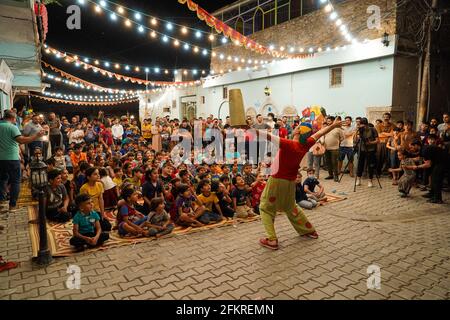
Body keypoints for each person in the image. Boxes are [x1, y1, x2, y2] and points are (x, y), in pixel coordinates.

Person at [252, 118, 342, 250]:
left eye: (297, 126)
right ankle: (309, 230)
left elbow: (265, 135)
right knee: (290, 207)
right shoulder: (306, 143)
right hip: (290, 181)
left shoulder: (287, 144)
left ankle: (271, 239)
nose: (295, 127)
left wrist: (247, 128)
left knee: (265, 207)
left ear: (298, 131)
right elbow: (321, 133)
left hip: (277, 180)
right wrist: (333, 125)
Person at [0, 110, 44, 213]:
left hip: (1, 158)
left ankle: (1, 202)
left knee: (2, 180)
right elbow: (21, 140)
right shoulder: (12, 127)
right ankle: (12, 205)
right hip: (12, 158)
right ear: (13, 118)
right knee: (15, 181)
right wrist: (36, 136)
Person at [407, 136, 448, 204]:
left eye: (411, 147)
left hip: (443, 163)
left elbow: (428, 165)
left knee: (436, 179)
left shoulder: (425, 150)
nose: (410, 149)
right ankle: (432, 193)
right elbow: (420, 158)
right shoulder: (423, 149)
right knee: (432, 177)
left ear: (416, 145)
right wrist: (408, 159)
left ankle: (438, 199)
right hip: (437, 162)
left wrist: (416, 167)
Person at [79, 167, 111, 231]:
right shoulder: (84, 188)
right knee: (91, 228)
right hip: (88, 212)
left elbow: (101, 200)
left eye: (98, 173)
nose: (98, 175)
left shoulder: (99, 184)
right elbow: (84, 204)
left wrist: (102, 213)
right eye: (95, 174)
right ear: (88, 177)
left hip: (97, 211)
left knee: (107, 227)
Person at [356, 118, 379, 188]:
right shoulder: (360, 130)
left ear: (366, 124)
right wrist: (358, 132)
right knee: (360, 165)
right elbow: (356, 139)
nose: (363, 127)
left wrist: (370, 143)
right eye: (361, 125)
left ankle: (370, 181)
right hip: (362, 149)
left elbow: (378, 141)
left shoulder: (373, 129)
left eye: (363, 125)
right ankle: (358, 179)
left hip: (370, 150)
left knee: (370, 166)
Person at [323, 116, 344, 182]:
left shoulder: (338, 129)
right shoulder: (326, 128)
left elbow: (342, 138)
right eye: (327, 121)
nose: (328, 122)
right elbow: (323, 136)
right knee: (328, 162)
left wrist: (337, 143)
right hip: (326, 148)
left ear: (333, 121)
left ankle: (336, 176)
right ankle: (330, 175)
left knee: (334, 163)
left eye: (329, 121)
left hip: (335, 149)